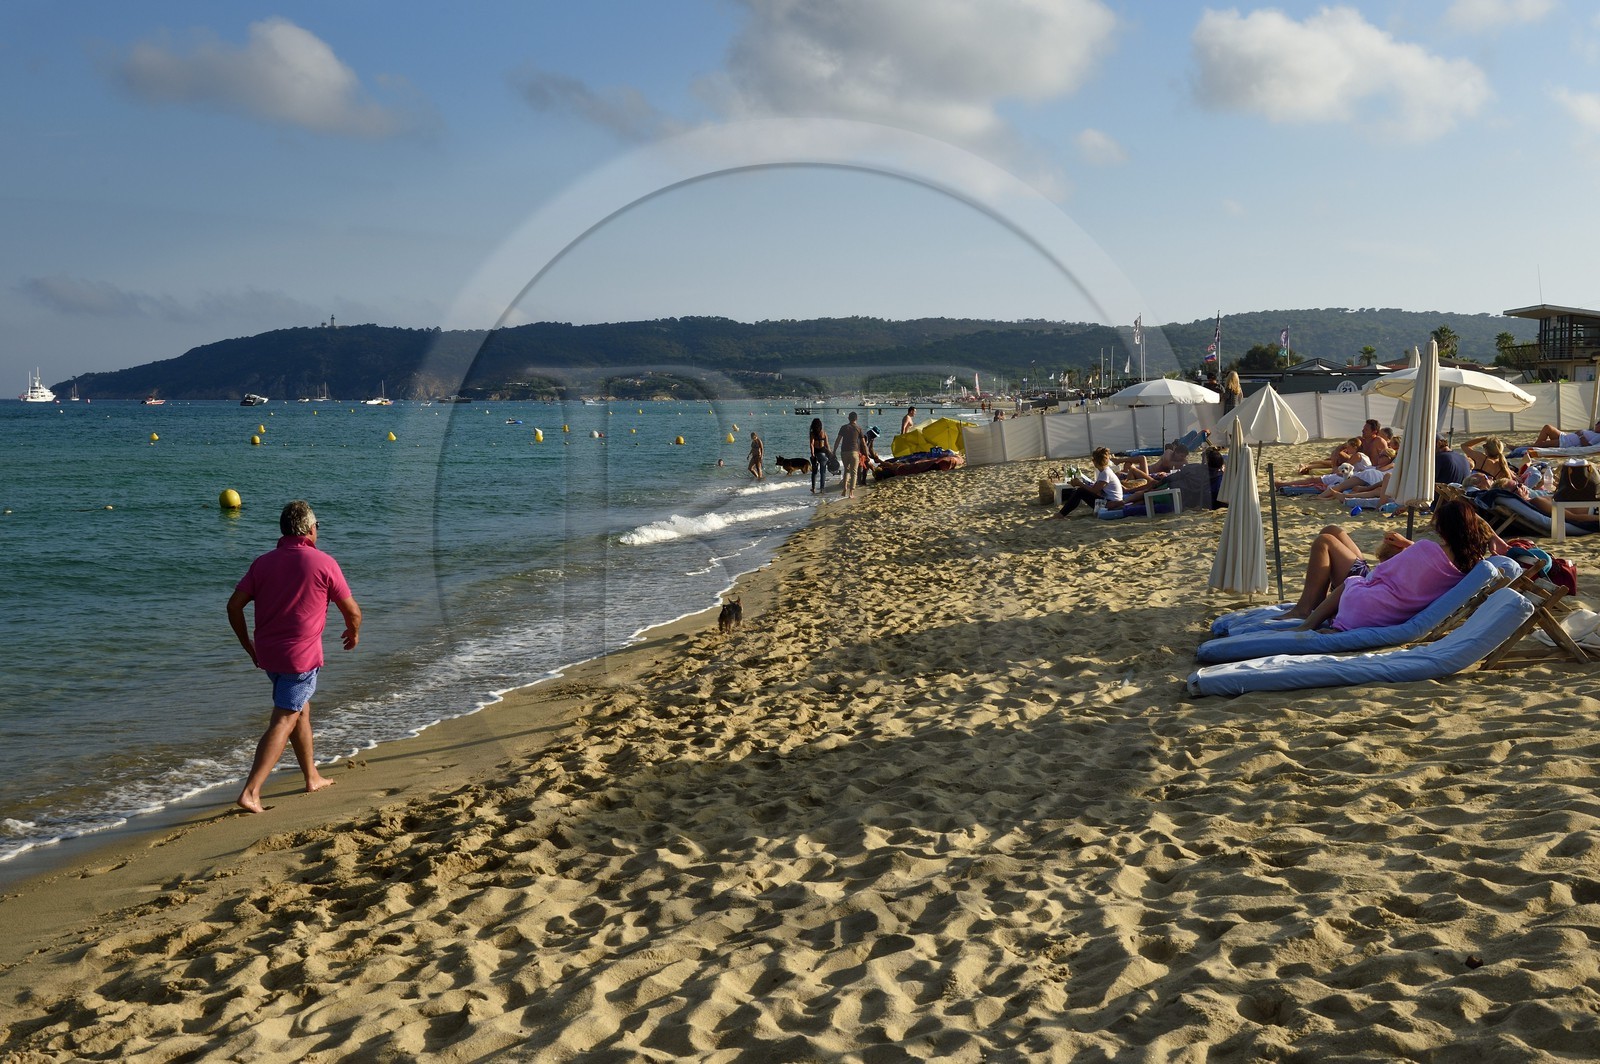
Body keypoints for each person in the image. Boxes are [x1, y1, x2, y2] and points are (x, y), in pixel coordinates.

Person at [228, 500, 361, 814]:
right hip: (299, 659)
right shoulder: (323, 563)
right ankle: (251, 791)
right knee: (285, 718)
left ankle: (311, 776)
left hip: (269, 656)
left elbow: (234, 606)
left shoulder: (262, 563)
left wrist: (248, 644)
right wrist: (353, 632)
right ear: (311, 529)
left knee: (300, 711)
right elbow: (353, 611)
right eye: (318, 527)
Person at [1286, 498, 1500, 630]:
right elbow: (1436, 562)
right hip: (1390, 601)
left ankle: (1305, 611)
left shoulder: (1426, 548)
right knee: (1333, 531)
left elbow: (1378, 573)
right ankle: (1316, 600)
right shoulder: (1472, 564)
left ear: (1443, 529)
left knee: (1327, 542)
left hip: (1367, 599)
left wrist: (1405, 549)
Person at [1051, 446, 1122, 517]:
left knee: (1080, 491)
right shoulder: (1105, 471)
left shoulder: (1105, 473)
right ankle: (1062, 513)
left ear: (1095, 462)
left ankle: (1061, 514)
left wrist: (1080, 484)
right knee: (1079, 491)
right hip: (1109, 501)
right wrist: (1080, 484)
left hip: (1111, 504)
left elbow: (1094, 491)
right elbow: (1096, 489)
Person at [833, 412, 867, 499]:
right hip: (854, 452)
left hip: (844, 452)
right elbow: (863, 443)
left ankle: (844, 488)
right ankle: (851, 493)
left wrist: (834, 451)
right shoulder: (859, 428)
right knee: (854, 472)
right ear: (856, 418)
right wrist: (867, 454)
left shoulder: (844, 427)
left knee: (846, 470)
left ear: (848, 418)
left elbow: (838, 440)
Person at [1531, 421, 1600, 449]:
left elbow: (1588, 446)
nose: (1596, 426)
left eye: (1598, 425)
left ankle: (1529, 448)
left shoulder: (1598, 436)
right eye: (1597, 424)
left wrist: (1580, 435)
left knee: (1542, 444)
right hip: (1565, 436)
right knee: (1547, 427)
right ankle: (1534, 446)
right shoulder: (1592, 431)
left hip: (1567, 442)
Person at [808, 417, 829, 494]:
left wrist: (812, 454)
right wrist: (830, 453)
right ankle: (822, 488)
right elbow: (827, 445)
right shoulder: (824, 433)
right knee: (823, 472)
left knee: (814, 472)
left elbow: (811, 444)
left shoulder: (812, 434)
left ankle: (813, 488)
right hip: (823, 453)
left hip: (816, 454)